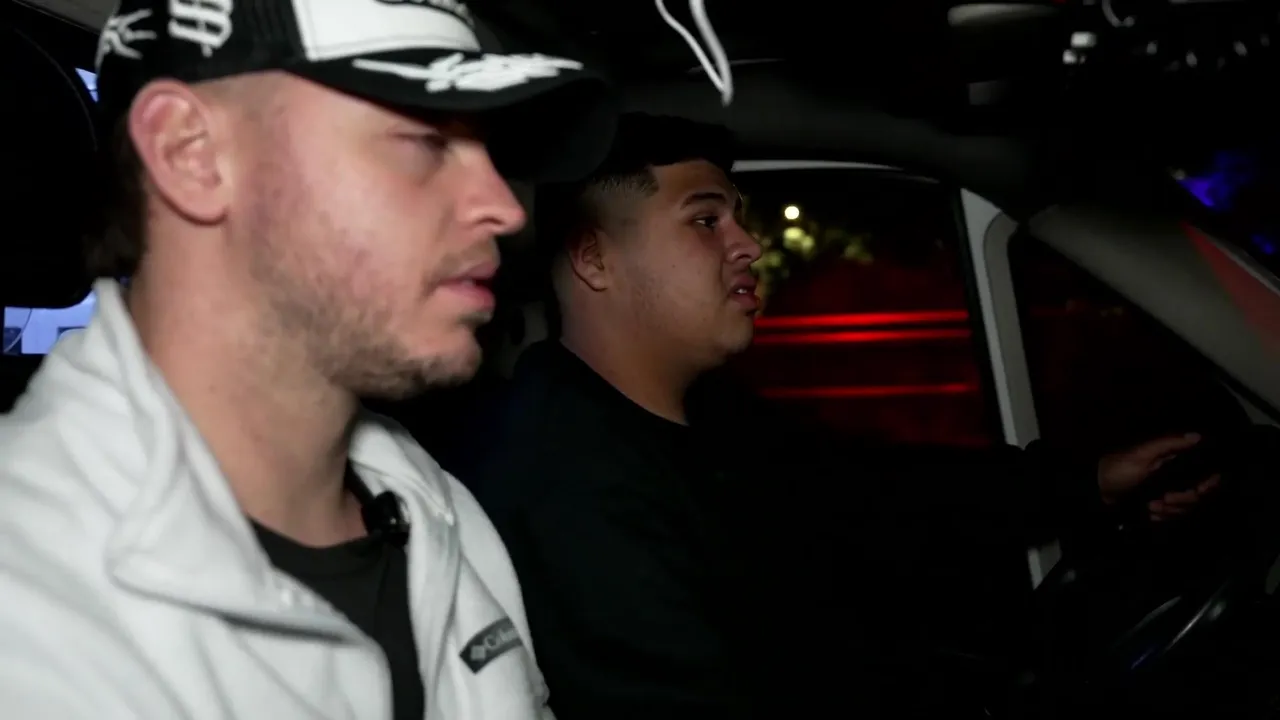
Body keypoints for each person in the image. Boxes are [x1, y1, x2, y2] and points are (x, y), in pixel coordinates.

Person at [454, 113, 1221, 719]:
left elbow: (882, 491)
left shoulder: (713, 424)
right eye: (705, 220)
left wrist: (1089, 481)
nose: (749, 245)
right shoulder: (565, 489)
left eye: (739, 217)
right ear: (594, 259)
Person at [0, 1, 617, 717]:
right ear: (190, 152)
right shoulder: (31, 605)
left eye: (492, 151)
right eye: (423, 139)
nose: (504, 209)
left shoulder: (434, 505)